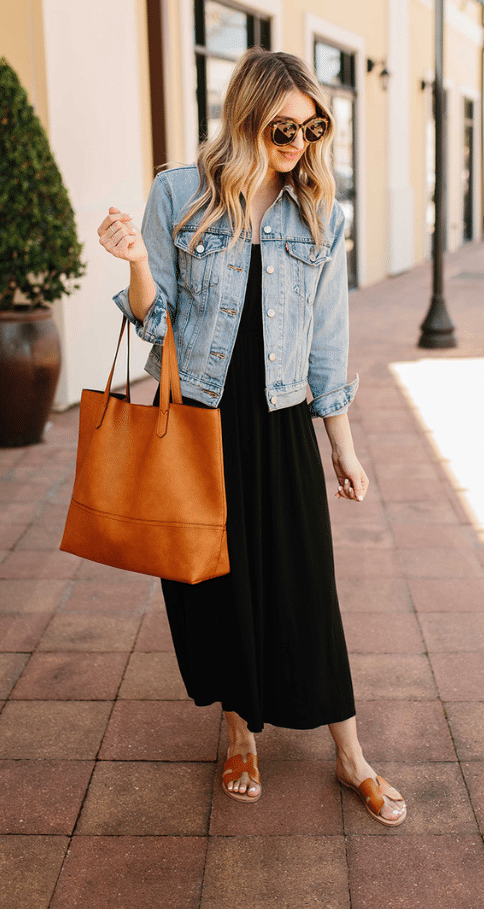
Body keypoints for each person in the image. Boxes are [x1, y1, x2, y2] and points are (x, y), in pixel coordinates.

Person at [93, 48, 406, 826]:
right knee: (214, 583)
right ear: (246, 117)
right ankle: (238, 727)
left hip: (281, 417)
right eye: (282, 127)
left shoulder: (321, 213)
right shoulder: (179, 193)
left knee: (306, 587)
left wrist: (344, 446)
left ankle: (350, 753)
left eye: (312, 127)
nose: (298, 142)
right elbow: (150, 323)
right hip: (200, 416)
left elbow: (328, 340)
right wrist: (136, 260)